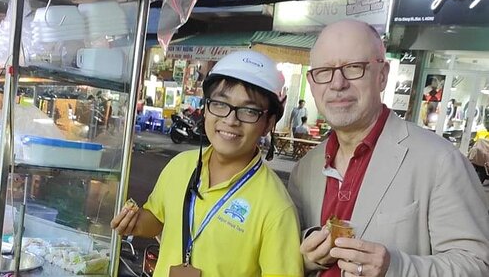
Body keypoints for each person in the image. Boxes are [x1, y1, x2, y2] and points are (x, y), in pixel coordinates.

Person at [288, 19, 489, 277]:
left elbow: (478, 265)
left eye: (353, 68)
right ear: (312, 83)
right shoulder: (305, 169)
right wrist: (304, 260)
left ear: (382, 76)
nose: (337, 84)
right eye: (324, 71)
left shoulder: (440, 161)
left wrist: (395, 268)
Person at [111, 50, 303, 277]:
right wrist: (132, 221)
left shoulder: (277, 208)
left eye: (249, 111)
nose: (230, 120)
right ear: (206, 107)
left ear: (268, 122)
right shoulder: (180, 165)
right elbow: (158, 219)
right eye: (221, 104)